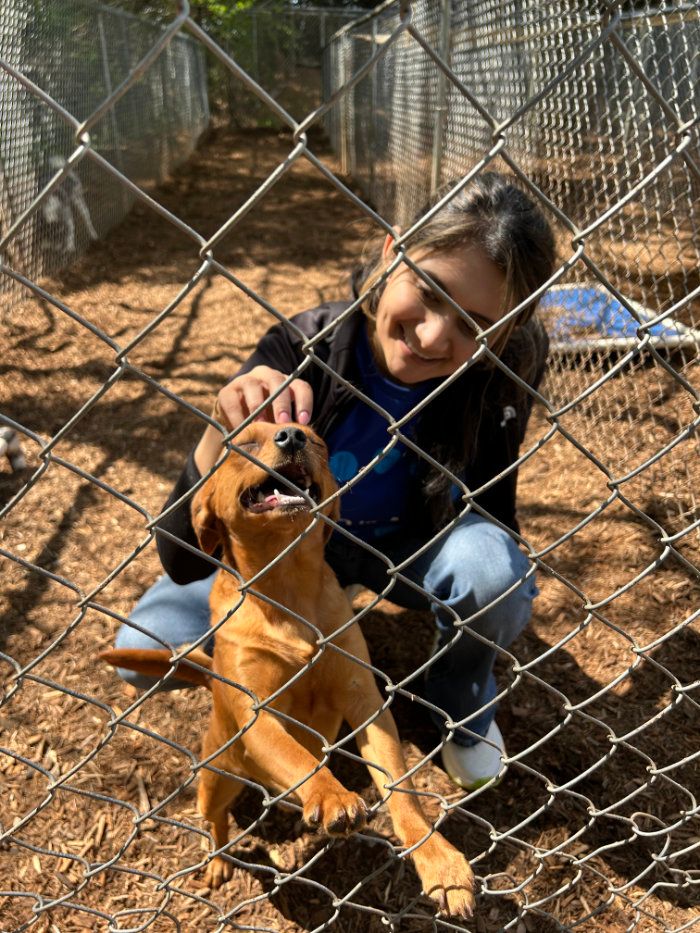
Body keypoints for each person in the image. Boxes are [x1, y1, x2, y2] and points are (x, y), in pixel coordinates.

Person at [114, 172, 556, 790]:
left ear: (506, 329)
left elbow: (494, 514)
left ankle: (458, 691)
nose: (433, 336)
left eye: (475, 323)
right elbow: (183, 560)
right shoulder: (303, 347)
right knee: (147, 644)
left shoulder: (497, 378)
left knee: (493, 570)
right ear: (391, 252)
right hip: (284, 546)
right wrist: (221, 431)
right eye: (428, 292)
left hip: (403, 546)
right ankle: (260, 684)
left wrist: (488, 593)